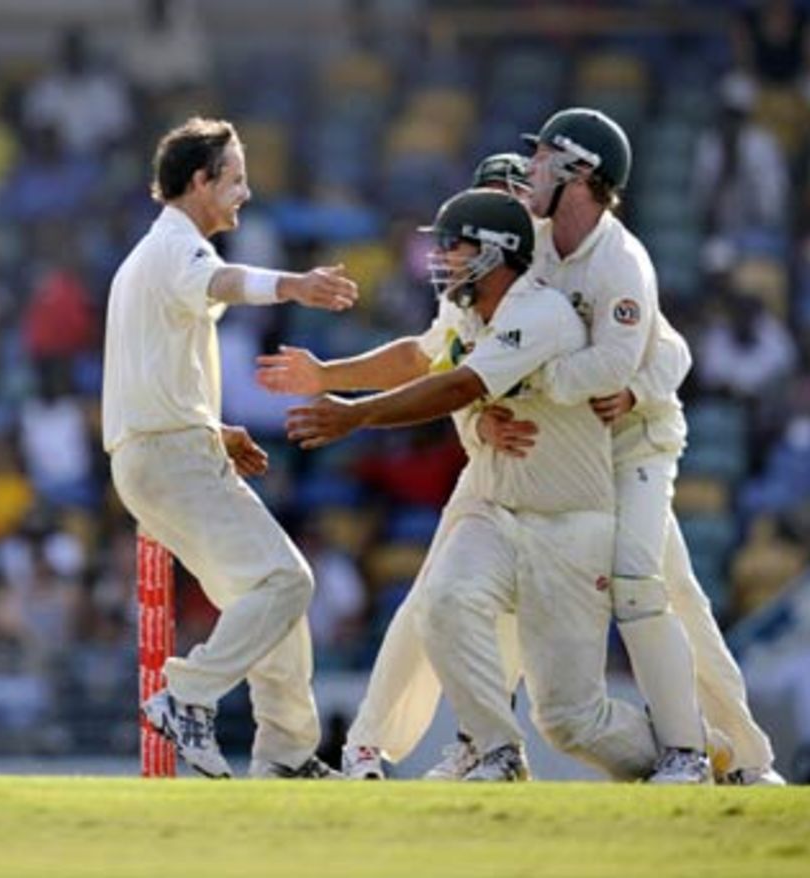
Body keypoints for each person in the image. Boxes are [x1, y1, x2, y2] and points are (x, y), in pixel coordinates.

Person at [273, 188, 662, 782]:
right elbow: (424, 361)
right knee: (442, 600)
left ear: (497, 250)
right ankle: (496, 750)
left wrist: (357, 413)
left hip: (569, 522)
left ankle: (688, 753)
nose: (442, 256)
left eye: (454, 245)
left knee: (570, 720)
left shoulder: (541, 313)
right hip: (498, 506)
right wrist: (331, 375)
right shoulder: (470, 313)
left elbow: (457, 386)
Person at [488, 108, 782, 784]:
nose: (529, 169)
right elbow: (666, 347)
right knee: (677, 597)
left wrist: (542, 379)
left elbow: (626, 366)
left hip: (640, 447)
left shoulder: (622, 262)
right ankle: (748, 758)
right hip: (585, 454)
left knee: (643, 588)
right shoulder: (535, 244)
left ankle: (686, 752)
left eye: (543, 159)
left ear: (581, 173)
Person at [103, 116, 358, 778]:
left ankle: (286, 754)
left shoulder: (150, 259)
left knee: (265, 600)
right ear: (200, 182)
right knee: (286, 581)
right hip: (169, 456)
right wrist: (296, 285)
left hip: (162, 452)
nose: (246, 193)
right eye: (236, 179)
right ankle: (186, 696)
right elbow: (224, 284)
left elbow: (150, 374)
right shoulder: (175, 248)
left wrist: (212, 429)